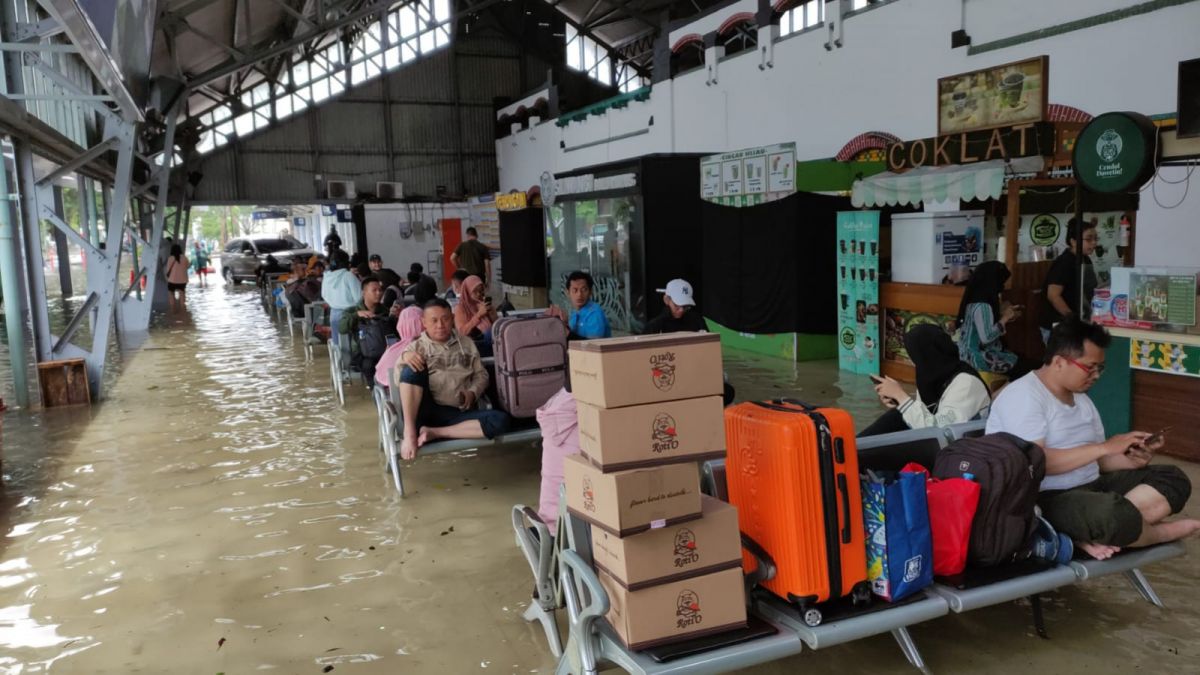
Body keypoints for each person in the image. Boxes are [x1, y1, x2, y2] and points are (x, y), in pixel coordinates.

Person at [986, 319, 1197, 561]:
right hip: (1045, 498)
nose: (1096, 376)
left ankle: (1098, 532)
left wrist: (1129, 461)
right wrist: (1104, 447)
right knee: (1109, 513)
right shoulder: (1024, 397)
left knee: (1173, 478)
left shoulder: (1081, 400)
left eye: (1100, 368)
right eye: (1090, 367)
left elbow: (1098, 462)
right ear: (1059, 362)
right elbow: (1035, 464)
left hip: (1093, 487)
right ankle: (1157, 532)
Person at [396, 299, 510, 460]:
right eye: (434, 320)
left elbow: (481, 375)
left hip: (457, 414)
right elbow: (401, 380)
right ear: (424, 323)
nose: (440, 325)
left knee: (500, 421)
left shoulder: (467, 343)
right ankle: (410, 434)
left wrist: (472, 392)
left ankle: (434, 433)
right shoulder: (416, 347)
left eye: (445, 318)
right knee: (411, 370)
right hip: (426, 411)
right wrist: (403, 357)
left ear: (453, 318)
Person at [860, 325, 991, 437]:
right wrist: (898, 400)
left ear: (927, 355)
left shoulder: (966, 384)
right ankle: (852, 449)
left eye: (915, 356)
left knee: (883, 444)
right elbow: (925, 412)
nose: (914, 362)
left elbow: (941, 434)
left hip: (958, 450)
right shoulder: (934, 376)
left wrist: (901, 397)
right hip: (936, 439)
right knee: (895, 417)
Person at [956, 261, 1029, 378]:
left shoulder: (974, 300)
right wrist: (1005, 318)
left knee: (1021, 360)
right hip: (977, 357)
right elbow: (986, 337)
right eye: (1000, 282)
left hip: (965, 354)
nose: (1002, 287)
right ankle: (1000, 393)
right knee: (1026, 369)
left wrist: (1003, 314)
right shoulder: (983, 305)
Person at [1040, 217, 1099, 343]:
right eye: (1089, 239)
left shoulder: (1085, 259)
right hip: (1060, 325)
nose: (1094, 243)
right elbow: (1053, 295)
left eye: (1095, 239)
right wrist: (1072, 319)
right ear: (1073, 241)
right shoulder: (1065, 262)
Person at [338, 275, 397, 385]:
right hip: (363, 353)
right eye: (374, 290)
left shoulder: (386, 310)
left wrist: (396, 317)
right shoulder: (352, 311)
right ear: (364, 293)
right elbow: (342, 328)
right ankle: (375, 393)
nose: (379, 293)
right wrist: (356, 315)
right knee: (368, 365)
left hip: (385, 349)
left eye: (380, 290)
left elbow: (395, 332)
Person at [546, 271, 611, 339]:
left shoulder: (595, 313)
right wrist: (564, 323)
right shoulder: (575, 313)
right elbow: (573, 336)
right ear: (567, 293)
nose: (579, 294)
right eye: (575, 290)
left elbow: (593, 345)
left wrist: (564, 330)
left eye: (584, 290)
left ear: (590, 292)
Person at [374, 306, 425, 390]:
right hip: (403, 394)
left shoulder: (392, 348)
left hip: (382, 394)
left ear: (400, 325)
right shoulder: (423, 347)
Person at [454, 275, 499, 357]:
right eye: (475, 291)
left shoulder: (483, 304)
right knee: (489, 334)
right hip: (472, 344)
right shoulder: (460, 308)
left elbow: (497, 326)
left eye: (481, 291)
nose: (479, 294)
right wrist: (478, 315)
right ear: (467, 291)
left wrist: (492, 314)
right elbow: (462, 332)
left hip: (490, 342)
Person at [164, 243, 189, 311]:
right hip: (183, 280)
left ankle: (173, 309)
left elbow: (168, 269)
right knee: (182, 293)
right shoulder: (184, 258)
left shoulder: (170, 258)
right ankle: (183, 310)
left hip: (172, 280)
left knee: (171, 294)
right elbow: (187, 267)